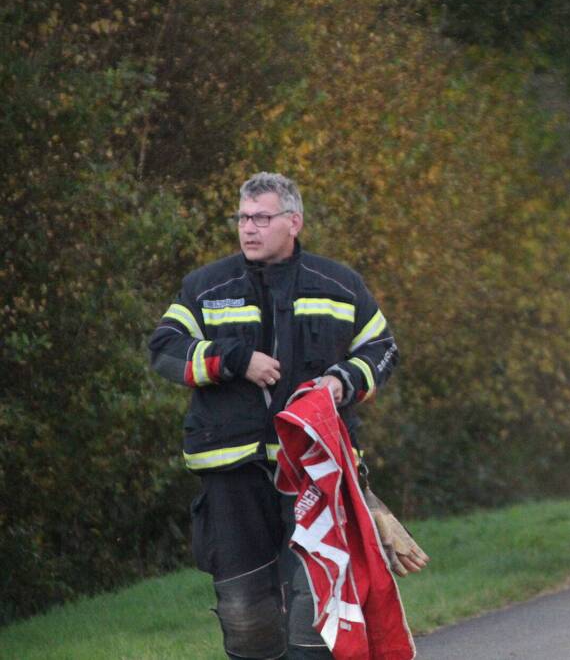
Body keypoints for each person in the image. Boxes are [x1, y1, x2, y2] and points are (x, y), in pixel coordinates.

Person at [149, 172, 399, 659]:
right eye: (242, 217)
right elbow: (164, 350)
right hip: (231, 471)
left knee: (314, 609)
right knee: (246, 615)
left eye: (261, 217)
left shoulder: (340, 285)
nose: (248, 228)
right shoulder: (204, 287)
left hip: (315, 471)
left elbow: (382, 349)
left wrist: (342, 380)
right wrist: (234, 360)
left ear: (294, 222)